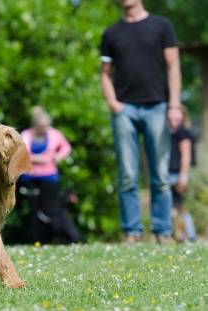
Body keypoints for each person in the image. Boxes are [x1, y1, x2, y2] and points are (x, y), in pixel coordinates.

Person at [100, 0, 183, 244]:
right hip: (124, 110)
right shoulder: (111, 33)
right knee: (127, 173)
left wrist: (175, 105)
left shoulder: (162, 26)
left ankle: (162, 230)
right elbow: (105, 74)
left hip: (157, 107)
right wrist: (113, 103)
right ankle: (132, 232)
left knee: (160, 174)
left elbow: (174, 67)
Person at [20, 107, 73, 244]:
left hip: (49, 177)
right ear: (35, 125)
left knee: (51, 210)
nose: (43, 129)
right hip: (30, 178)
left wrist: (58, 157)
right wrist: (34, 158)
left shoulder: (54, 134)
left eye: (45, 126)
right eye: (41, 127)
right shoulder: (25, 135)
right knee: (35, 211)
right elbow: (19, 153)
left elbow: (66, 147)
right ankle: (38, 240)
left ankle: (60, 239)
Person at [169, 106, 196, 242]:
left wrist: (183, 176)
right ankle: (181, 236)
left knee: (178, 208)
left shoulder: (183, 133)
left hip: (176, 175)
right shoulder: (172, 133)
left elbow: (186, 157)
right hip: (170, 174)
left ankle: (189, 236)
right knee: (175, 207)